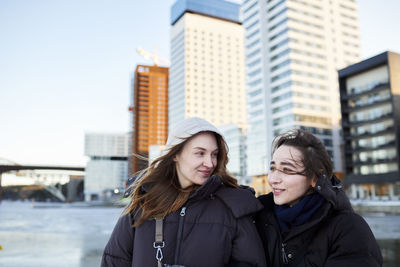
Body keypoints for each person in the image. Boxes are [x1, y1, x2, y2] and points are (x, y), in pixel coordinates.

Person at [101, 117, 266, 267]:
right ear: (175, 155)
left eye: (214, 155)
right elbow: (114, 261)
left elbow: (251, 263)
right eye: (200, 153)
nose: (209, 163)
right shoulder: (143, 203)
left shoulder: (233, 207)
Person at [255, 129, 382, 267]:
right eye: (272, 168)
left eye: (287, 170)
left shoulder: (348, 229)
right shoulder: (259, 216)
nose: (273, 179)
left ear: (315, 177)